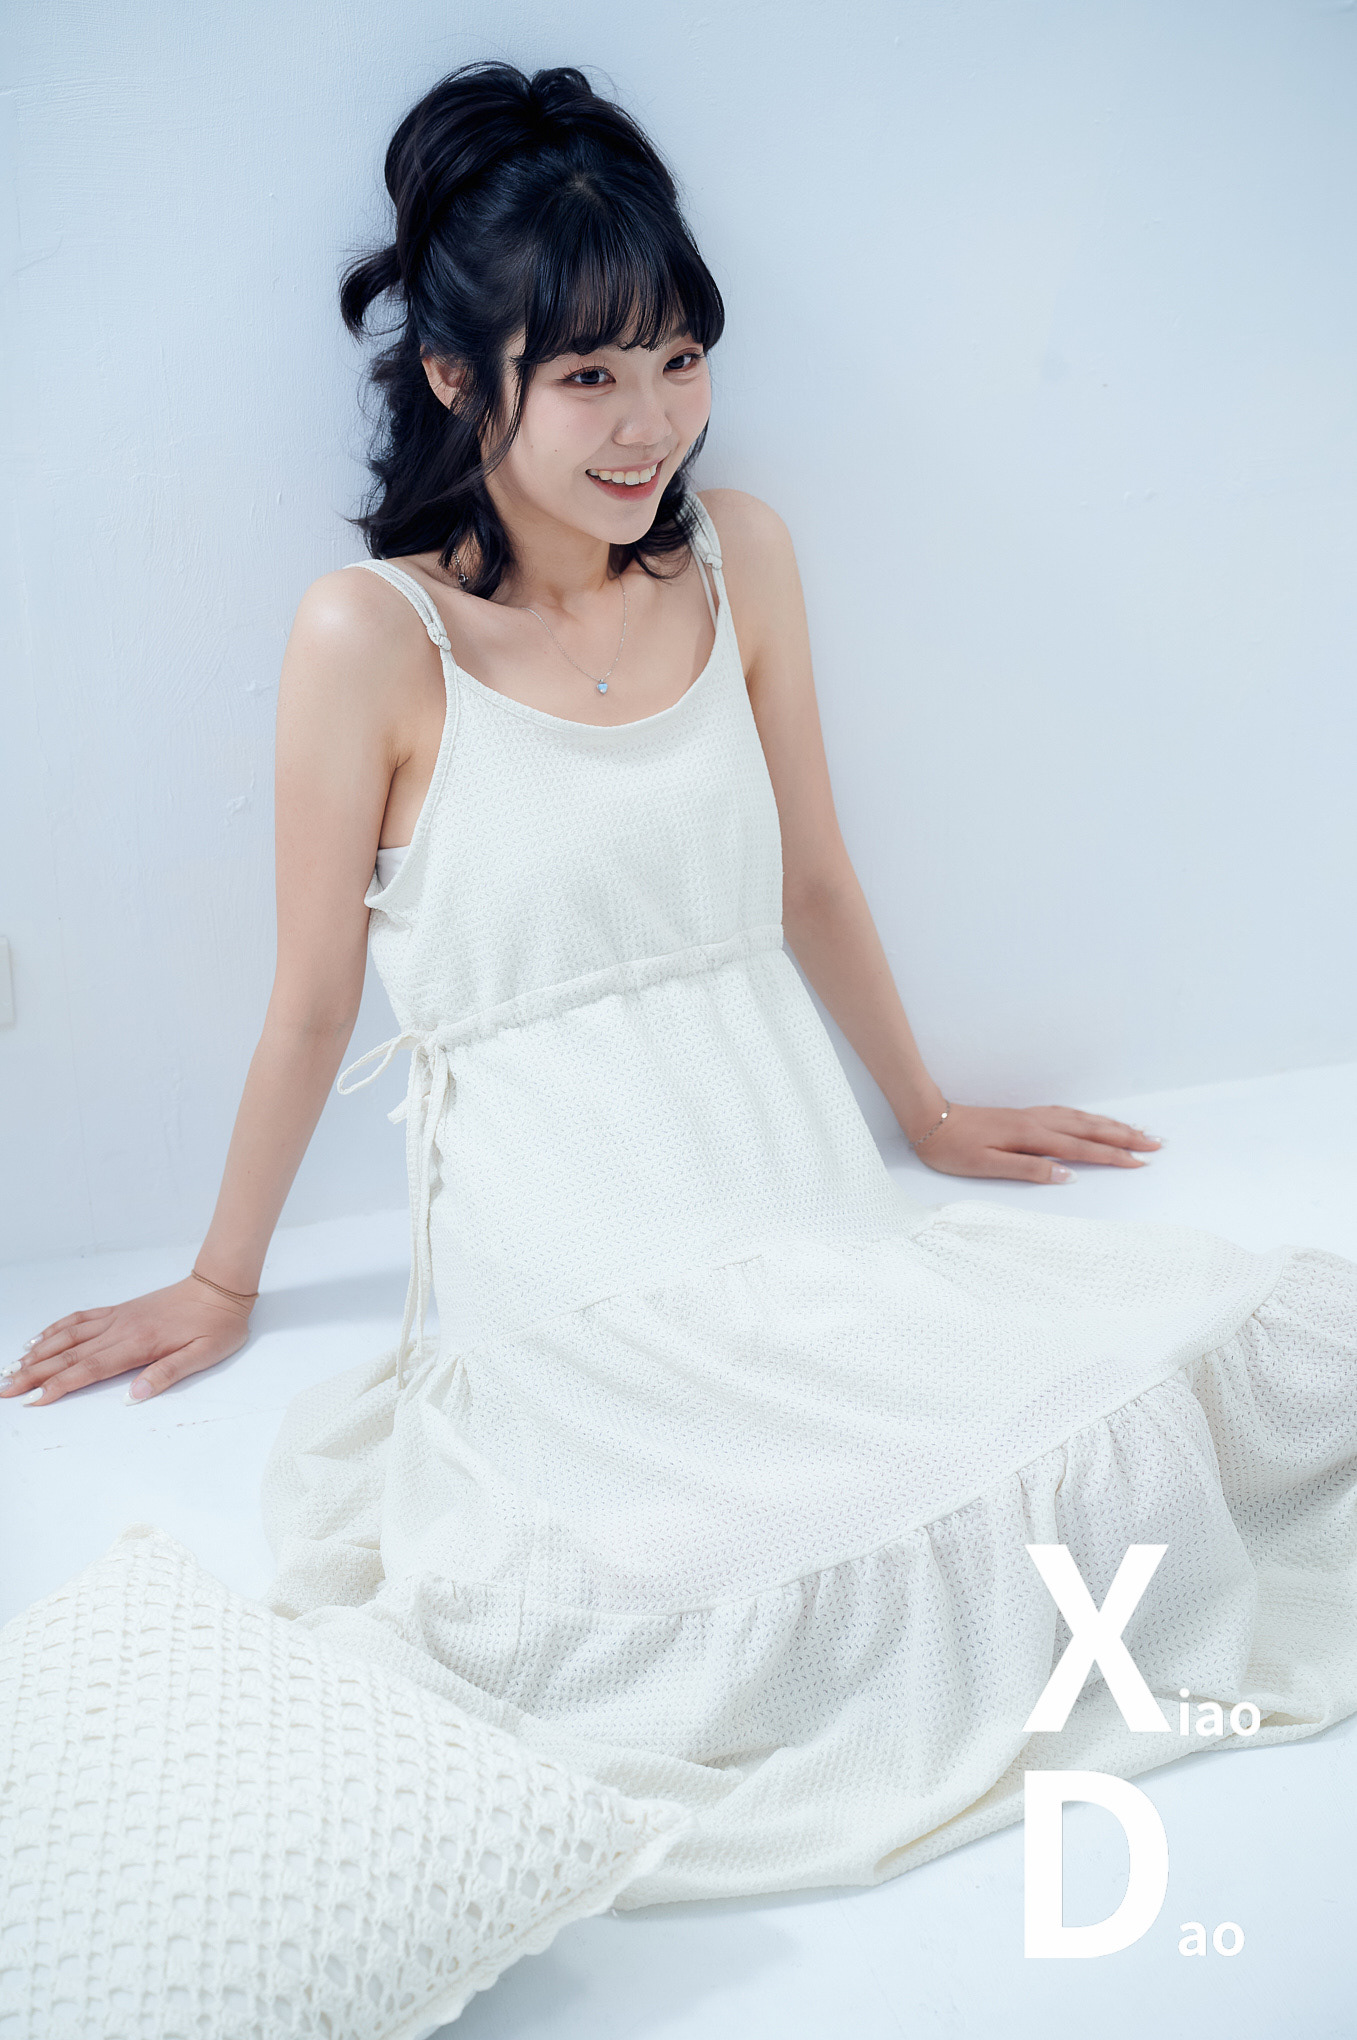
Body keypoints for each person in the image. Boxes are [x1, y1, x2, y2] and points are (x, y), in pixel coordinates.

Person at [6, 62, 1355, 1909]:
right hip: (573, 1238)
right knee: (682, 1588)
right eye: (586, 376)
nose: (649, 425)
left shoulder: (741, 558)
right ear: (455, 378)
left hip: (786, 1182)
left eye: (676, 359)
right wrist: (222, 1279)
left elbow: (810, 876)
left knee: (1165, 1413)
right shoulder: (374, 637)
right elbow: (312, 999)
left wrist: (927, 1115)